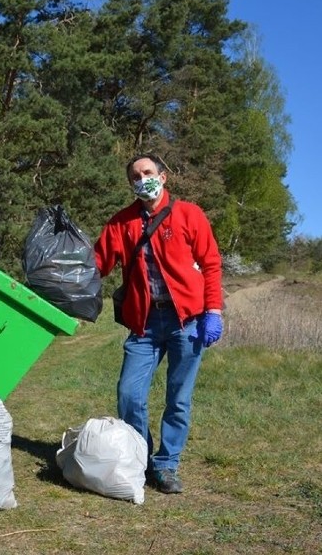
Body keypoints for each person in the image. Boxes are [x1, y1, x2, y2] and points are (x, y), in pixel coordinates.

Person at [94, 153, 223, 494]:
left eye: (148, 172)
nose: (142, 180)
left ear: (163, 177)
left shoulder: (188, 214)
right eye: (135, 176)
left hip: (187, 321)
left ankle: (166, 465)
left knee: (178, 398)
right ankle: (141, 457)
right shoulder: (121, 223)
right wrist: (61, 265)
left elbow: (210, 263)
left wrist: (214, 311)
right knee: (129, 394)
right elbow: (97, 264)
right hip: (145, 323)